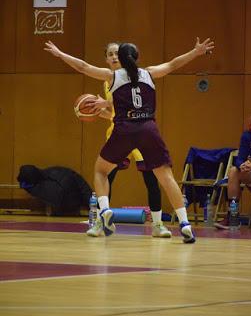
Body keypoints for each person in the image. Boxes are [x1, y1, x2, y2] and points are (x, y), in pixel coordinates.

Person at [44, 37, 214, 243]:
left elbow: (82, 66)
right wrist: (195, 52)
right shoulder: (150, 72)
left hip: (124, 129)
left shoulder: (112, 76)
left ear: (121, 59)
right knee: (166, 177)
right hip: (148, 129)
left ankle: (105, 211)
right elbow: (173, 63)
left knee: (100, 170)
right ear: (137, 57)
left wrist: (60, 54)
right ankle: (185, 224)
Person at [87, 42, 171, 238]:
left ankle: (158, 224)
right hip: (119, 131)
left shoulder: (137, 76)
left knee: (151, 179)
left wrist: (106, 103)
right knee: (108, 177)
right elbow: (113, 114)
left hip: (138, 130)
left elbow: (131, 105)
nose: (114, 57)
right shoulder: (106, 80)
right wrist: (97, 111)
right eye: (110, 54)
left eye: (117, 53)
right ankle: (102, 221)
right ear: (106, 59)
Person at [214, 110, 251, 230]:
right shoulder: (247, 136)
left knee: (236, 170)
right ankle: (233, 216)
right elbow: (239, 158)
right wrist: (242, 165)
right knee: (234, 170)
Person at [17, 164, 92, 215]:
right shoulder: (53, 173)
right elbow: (83, 187)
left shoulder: (44, 187)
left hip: (70, 199)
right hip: (74, 186)